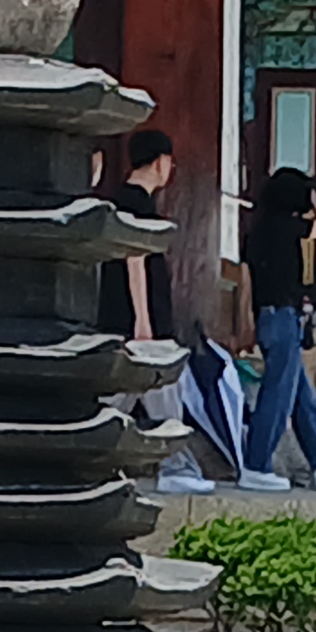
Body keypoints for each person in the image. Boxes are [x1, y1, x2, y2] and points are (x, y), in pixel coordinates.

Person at [106, 129, 247, 493]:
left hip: (128, 321)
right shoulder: (136, 203)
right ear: (160, 162)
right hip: (142, 323)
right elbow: (134, 259)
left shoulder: (121, 201)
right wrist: (143, 320)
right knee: (155, 387)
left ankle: (99, 462)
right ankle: (176, 468)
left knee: (125, 397)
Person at [237, 163, 316, 491]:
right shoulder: (289, 227)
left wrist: (245, 322)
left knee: (302, 396)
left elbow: (246, 281)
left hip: (266, 316)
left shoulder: (256, 232)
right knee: (277, 396)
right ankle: (256, 465)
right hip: (284, 318)